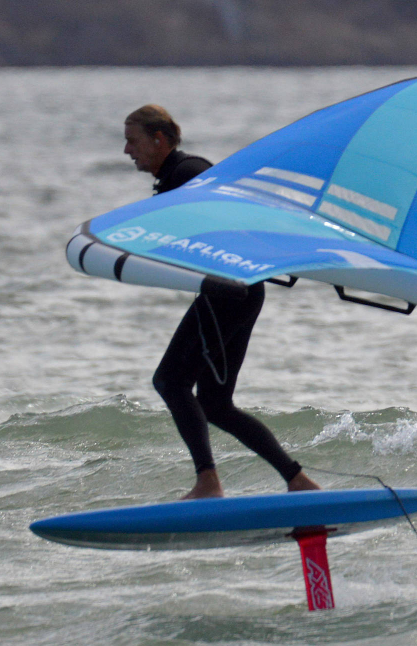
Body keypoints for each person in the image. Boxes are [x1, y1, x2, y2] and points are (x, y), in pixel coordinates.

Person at [123, 104, 321, 500]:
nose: (127, 151)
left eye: (133, 141)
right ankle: (298, 481)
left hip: (229, 292)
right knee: (214, 403)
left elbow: (233, 218)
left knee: (170, 381)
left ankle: (208, 482)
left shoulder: (188, 174)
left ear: (159, 140)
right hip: (238, 290)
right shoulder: (179, 176)